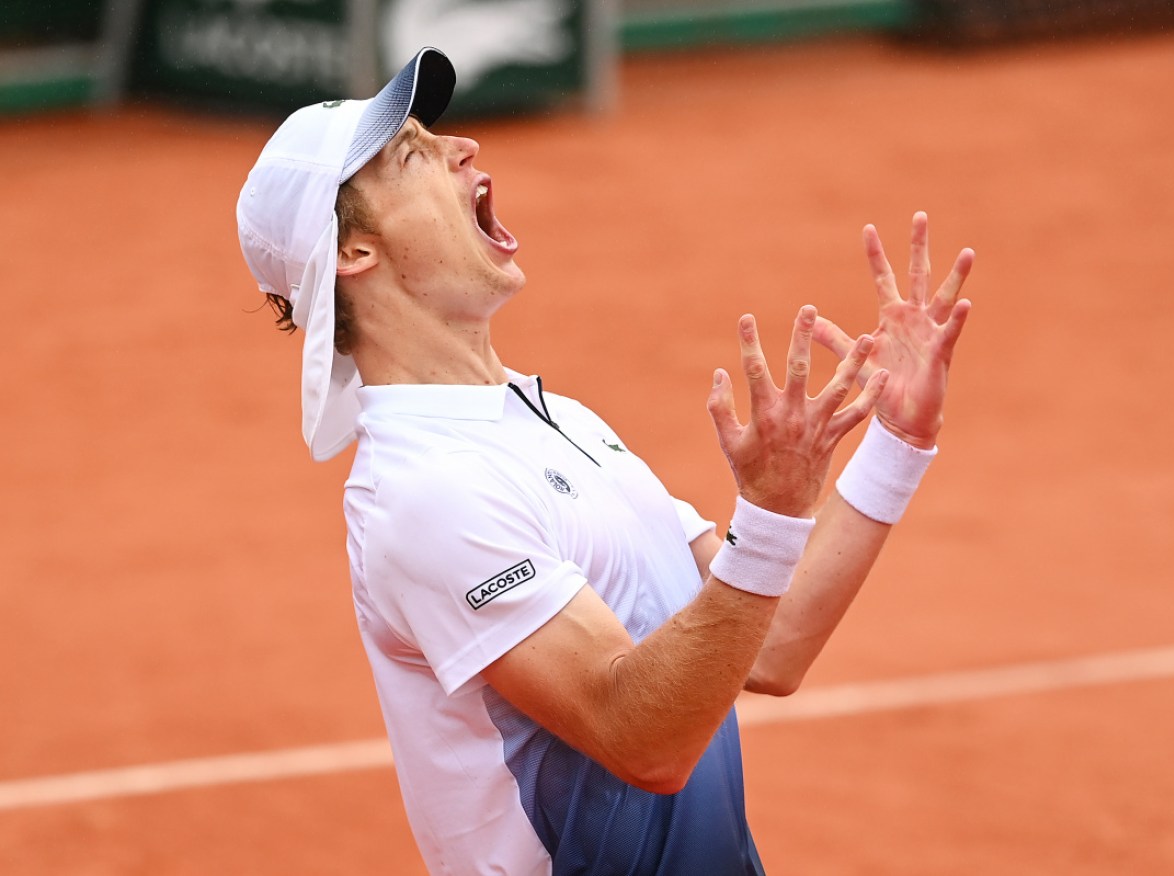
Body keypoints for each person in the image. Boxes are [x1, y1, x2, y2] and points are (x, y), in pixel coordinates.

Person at [236, 47, 972, 876]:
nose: (463, 147)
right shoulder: (424, 494)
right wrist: (766, 515)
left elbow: (768, 644)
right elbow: (643, 739)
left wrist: (898, 443)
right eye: (413, 154)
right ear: (354, 254)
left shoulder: (549, 419)